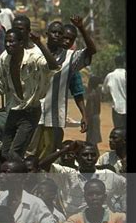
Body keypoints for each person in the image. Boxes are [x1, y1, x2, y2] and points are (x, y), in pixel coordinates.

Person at [0, 28, 60, 160]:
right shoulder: (5, 59)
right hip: (14, 110)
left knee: (15, 153)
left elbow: (54, 66)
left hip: (30, 111)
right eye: (6, 42)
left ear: (21, 43)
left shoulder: (33, 58)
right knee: (4, 152)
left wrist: (40, 44)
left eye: (12, 42)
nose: (8, 45)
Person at [34, 17, 96, 159]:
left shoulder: (70, 60)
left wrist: (84, 115)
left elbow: (77, 91)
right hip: (33, 113)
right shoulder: (35, 53)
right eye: (64, 37)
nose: (66, 41)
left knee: (48, 151)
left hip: (53, 116)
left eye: (71, 39)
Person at [42, 141, 127, 215]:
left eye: (93, 155)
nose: (89, 158)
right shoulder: (67, 175)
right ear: (76, 157)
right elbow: (43, 165)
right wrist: (65, 149)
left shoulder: (108, 175)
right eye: (85, 155)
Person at [102, 55, 126, 129]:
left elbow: (104, 90)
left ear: (115, 63)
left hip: (117, 107)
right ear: (124, 63)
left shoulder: (110, 76)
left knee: (118, 130)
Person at [85, 76, 102, 147]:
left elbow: (90, 109)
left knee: (91, 140)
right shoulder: (97, 92)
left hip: (92, 118)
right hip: (96, 117)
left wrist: (87, 119)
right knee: (93, 140)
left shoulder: (92, 94)